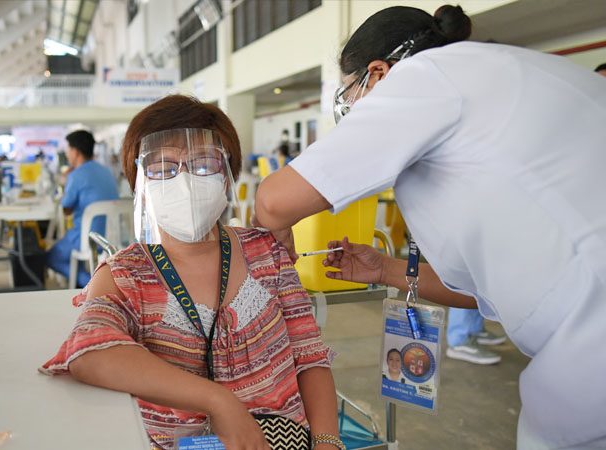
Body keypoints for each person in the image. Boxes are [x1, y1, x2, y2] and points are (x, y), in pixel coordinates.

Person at [253, 5, 606, 449]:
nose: (351, 111)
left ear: (378, 73)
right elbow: (481, 292)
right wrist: (386, 270)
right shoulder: (506, 74)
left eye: (349, 94)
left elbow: (274, 200)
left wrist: (276, 234)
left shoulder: (421, 78)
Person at [42, 95, 341, 450]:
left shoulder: (267, 253)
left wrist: (327, 443)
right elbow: (90, 351)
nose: (183, 180)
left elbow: (309, 356)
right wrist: (217, 400)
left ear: (228, 175)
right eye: (162, 168)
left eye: (203, 164)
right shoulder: (127, 275)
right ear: (140, 183)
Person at [45, 130, 118, 287]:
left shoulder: (76, 175)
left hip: (86, 238)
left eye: (68, 149)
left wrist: (67, 183)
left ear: (75, 152)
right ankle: (90, 284)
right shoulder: (107, 171)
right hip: (110, 238)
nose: (67, 153)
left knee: (51, 257)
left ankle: (92, 286)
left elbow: (66, 210)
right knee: (70, 255)